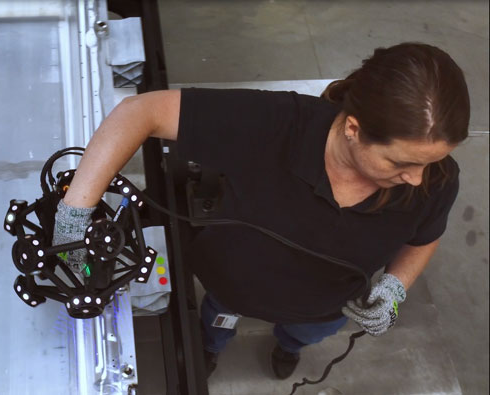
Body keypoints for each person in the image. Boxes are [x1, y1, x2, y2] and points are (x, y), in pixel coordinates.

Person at [52, 42, 470, 380]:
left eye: (429, 163)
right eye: (400, 163)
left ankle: (288, 347)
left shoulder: (436, 180)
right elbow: (138, 112)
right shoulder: (275, 125)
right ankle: (209, 350)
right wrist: (74, 215)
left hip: (324, 309)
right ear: (353, 129)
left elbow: (424, 236)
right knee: (216, 322)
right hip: (232, 287)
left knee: (303, 336)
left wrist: (395, 287)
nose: (418, 179)